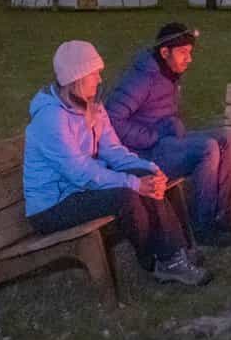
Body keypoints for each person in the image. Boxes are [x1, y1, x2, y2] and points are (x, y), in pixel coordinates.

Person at [23, 40, 209, 287]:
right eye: (95, 73)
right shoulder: (51, 119)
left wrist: (149, 169)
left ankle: (174, 254)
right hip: (52, 206)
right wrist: (133, 183)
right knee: (126, 196)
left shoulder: (92, 107)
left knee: (145, 177)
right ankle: (157, 259)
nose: (100, 79)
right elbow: (79, 171)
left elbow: (112, 151)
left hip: (78, 188)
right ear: (76, 77)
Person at [102, 22, 231, 246]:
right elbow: (111, 118)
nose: (189, 59)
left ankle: (221, 215)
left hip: (166, 142)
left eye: (189, 53)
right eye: (183, 53)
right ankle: (202, 226)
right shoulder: (142, 78)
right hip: (144, 153)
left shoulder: (168, 73)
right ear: (164, 52)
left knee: (226, 138)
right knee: (207, 148)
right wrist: (151, 137)